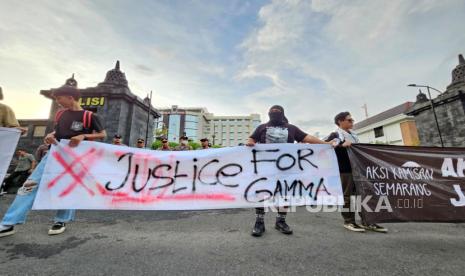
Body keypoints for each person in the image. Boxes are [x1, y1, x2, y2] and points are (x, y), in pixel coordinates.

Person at [0, 81, 106, 238]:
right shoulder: (61, 114)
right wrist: (51, 135)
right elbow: (57, 131)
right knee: (29, 185)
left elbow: (102, 134)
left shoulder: (89, 116)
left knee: (68, 188)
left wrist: (84, 135)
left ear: (71, 97)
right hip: (53, 155)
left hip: (76, 158)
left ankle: (61, 220)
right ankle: (9, 223)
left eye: (59, 98)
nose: (58, 102)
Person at [246, 105, 337, 237]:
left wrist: (325, 144)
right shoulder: (261, 127)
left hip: (287, 168)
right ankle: (259, 222)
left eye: (277, 112)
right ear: (268, 114)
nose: (274, 114)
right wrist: (249, 142)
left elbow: (308, 138)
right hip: (265, 168)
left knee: (285, 194)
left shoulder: (291, 128)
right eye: (272, 112)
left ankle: (281, 221)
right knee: (262, 193)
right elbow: (251, 138)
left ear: (282, 114)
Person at [325, 111, 387, 233]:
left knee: (363, 195)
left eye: (352, 120)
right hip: (345, 170)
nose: (352, 122)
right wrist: (342, 145)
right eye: (349, 120)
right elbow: (328, 146)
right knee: (346, 196)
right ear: (340, 121)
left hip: (358, 169)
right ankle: (349, 221)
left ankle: (367, 221)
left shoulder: (353, 134)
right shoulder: (335, 134)